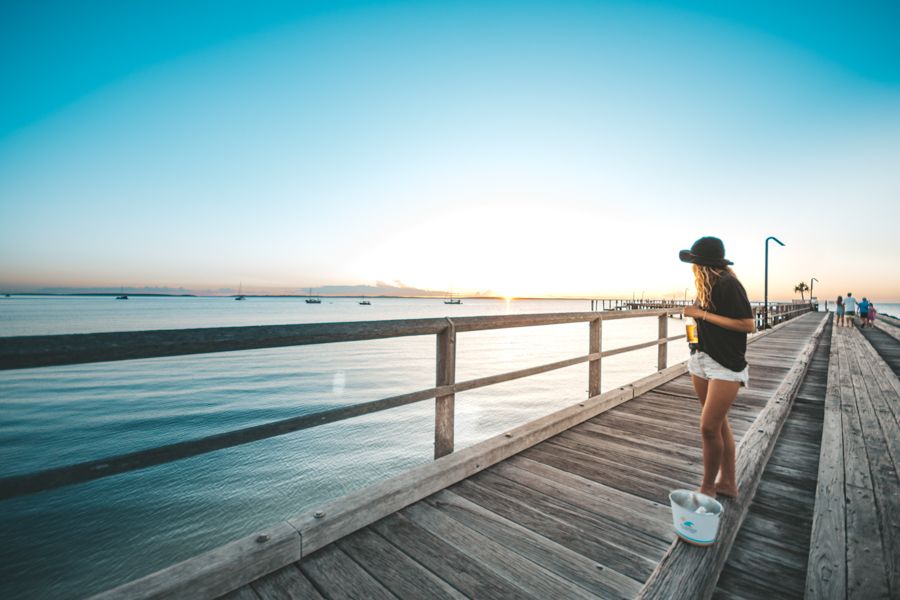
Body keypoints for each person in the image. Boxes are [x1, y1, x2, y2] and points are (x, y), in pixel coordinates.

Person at [679, 236, 755, 499]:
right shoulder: (706, 286)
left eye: (693, 262)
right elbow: (704, 324)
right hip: (701, 359)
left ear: (702, 263)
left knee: (708, 428)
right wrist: (694, 336)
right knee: (718, 425)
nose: (692, 267)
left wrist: (701, 315)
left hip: (725, 365)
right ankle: (728, 483)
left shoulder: (728, 284)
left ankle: (708, 487)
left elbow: (748, 324)